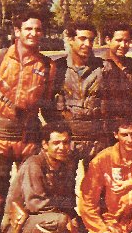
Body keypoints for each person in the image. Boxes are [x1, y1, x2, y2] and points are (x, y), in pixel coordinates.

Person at [0, 9, 56, 233]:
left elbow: (47, 104)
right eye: (28, 29)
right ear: (17, 31)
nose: (33, 33)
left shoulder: (47, 65)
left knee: (28, 195)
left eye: (38, 29)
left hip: (29, 137)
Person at [1, 123, 80, 233]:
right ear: (45, 145)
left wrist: (73, 220)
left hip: (44, 218)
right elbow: (36, 204)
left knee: (81, 222)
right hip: (19, 224)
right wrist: (66, 219)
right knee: (59, 221)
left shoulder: (65, 164)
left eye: (65, 142)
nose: (62, 147)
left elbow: (68, 199)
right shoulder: (34, 164)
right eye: (56, 143)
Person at [42, 21, 105, 170]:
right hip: (67, 140)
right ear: (70, 40)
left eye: (91, 40)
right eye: (82, 39)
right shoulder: (57, 69)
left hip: (96, 140)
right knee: (63, 181)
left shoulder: (103, 68)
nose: (87, 44)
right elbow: (46, 104)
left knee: (97, 182)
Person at [100, 23, 132, 140]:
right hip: (109, 128)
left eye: (127, 41)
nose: (123, 45)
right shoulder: (99, 66)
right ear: (108, 40)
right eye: (118, 40)